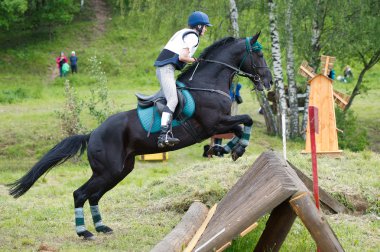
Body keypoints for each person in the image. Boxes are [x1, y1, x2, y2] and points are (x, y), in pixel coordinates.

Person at [154, 11, 212, 148]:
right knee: (173, 100)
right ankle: (163, 135)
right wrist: (196, 61)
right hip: (166, 69)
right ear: (198, 26)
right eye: (205, 26)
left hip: (165, 68)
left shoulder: (184, 32)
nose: (206, 29)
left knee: (173, 97)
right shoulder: (193, 37)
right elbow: (182, 57)